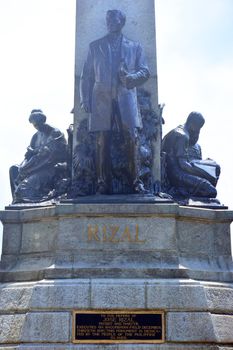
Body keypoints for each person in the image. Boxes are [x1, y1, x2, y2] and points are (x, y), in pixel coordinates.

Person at [80, 9, 150, 194]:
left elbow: (144, 71)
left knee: (132, 138)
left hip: (126, 96)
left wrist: (130, 78)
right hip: (100, 98)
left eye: (114, 19)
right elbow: (86, 76)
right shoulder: (95, 46)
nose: (110, 22)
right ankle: (102, 182)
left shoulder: (135, 47)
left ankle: (136, 181)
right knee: (102, 140)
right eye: (108, 19)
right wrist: (84, 99)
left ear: (122, 22)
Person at [10, 109, 68, 203]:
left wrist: (31, 158)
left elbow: (50, 156)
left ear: (43, 121)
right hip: (36, 167)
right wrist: (28, 157)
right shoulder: (36, 136)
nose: (36, 127)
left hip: (50, 168)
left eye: (38, 124)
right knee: (13, 170)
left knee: (23, 189)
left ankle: (32, 201)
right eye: (34, 125)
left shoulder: (55, 133)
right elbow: (31, 154)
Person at [161, 112, 220, 198]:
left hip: (177, 173)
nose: (198, 131)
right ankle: (180, 192)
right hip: (177, 176)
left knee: (215, 168)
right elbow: (184, 165)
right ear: (192, 124)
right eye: (198, 128)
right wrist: (206, 174)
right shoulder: (183, 136)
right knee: (211, 191)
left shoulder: (179, 132)